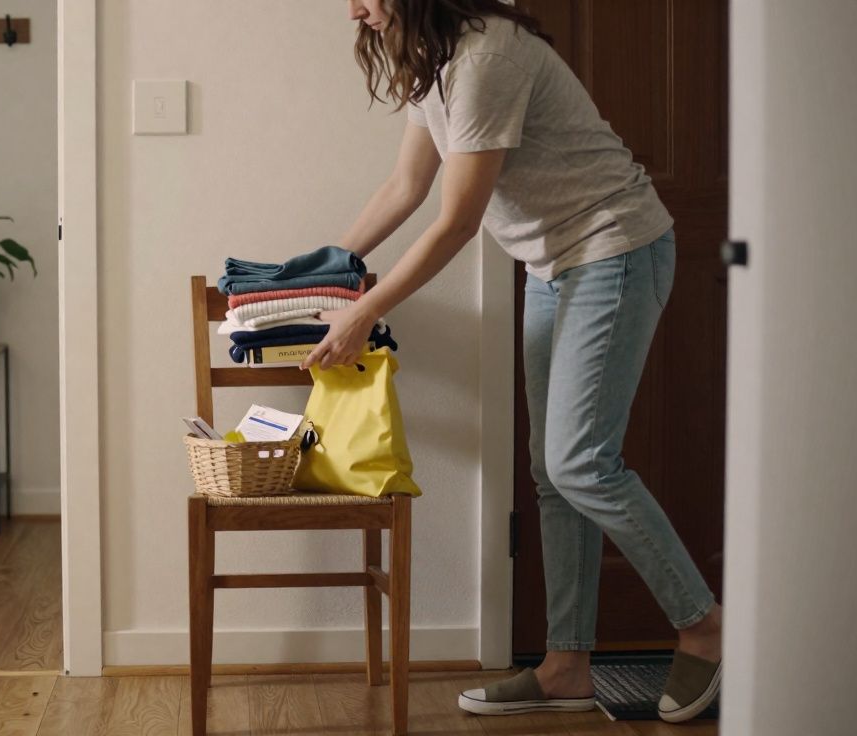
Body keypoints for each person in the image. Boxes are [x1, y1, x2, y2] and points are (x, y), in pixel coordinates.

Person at [299, 0, 723, 723]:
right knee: (550, 473)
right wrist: (321, 273)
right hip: (553, 263)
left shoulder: (486, 57)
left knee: (581, 462)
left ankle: (706, 628)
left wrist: (366, 309)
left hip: (613, 248)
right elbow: (407, 187)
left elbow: (460, 221)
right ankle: (566, 666)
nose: (353, 10)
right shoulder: (432, 61)